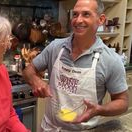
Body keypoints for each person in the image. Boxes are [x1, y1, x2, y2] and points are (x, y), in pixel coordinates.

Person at [23, 0, 129, 131]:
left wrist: (99, 110)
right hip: (49, 128)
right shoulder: (55, 47)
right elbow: (28, 70)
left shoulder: (110, 60)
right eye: (75, 14)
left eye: (86, 14)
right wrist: (36, 81)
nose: (78, 20)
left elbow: (122, 102)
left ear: (101, 19)